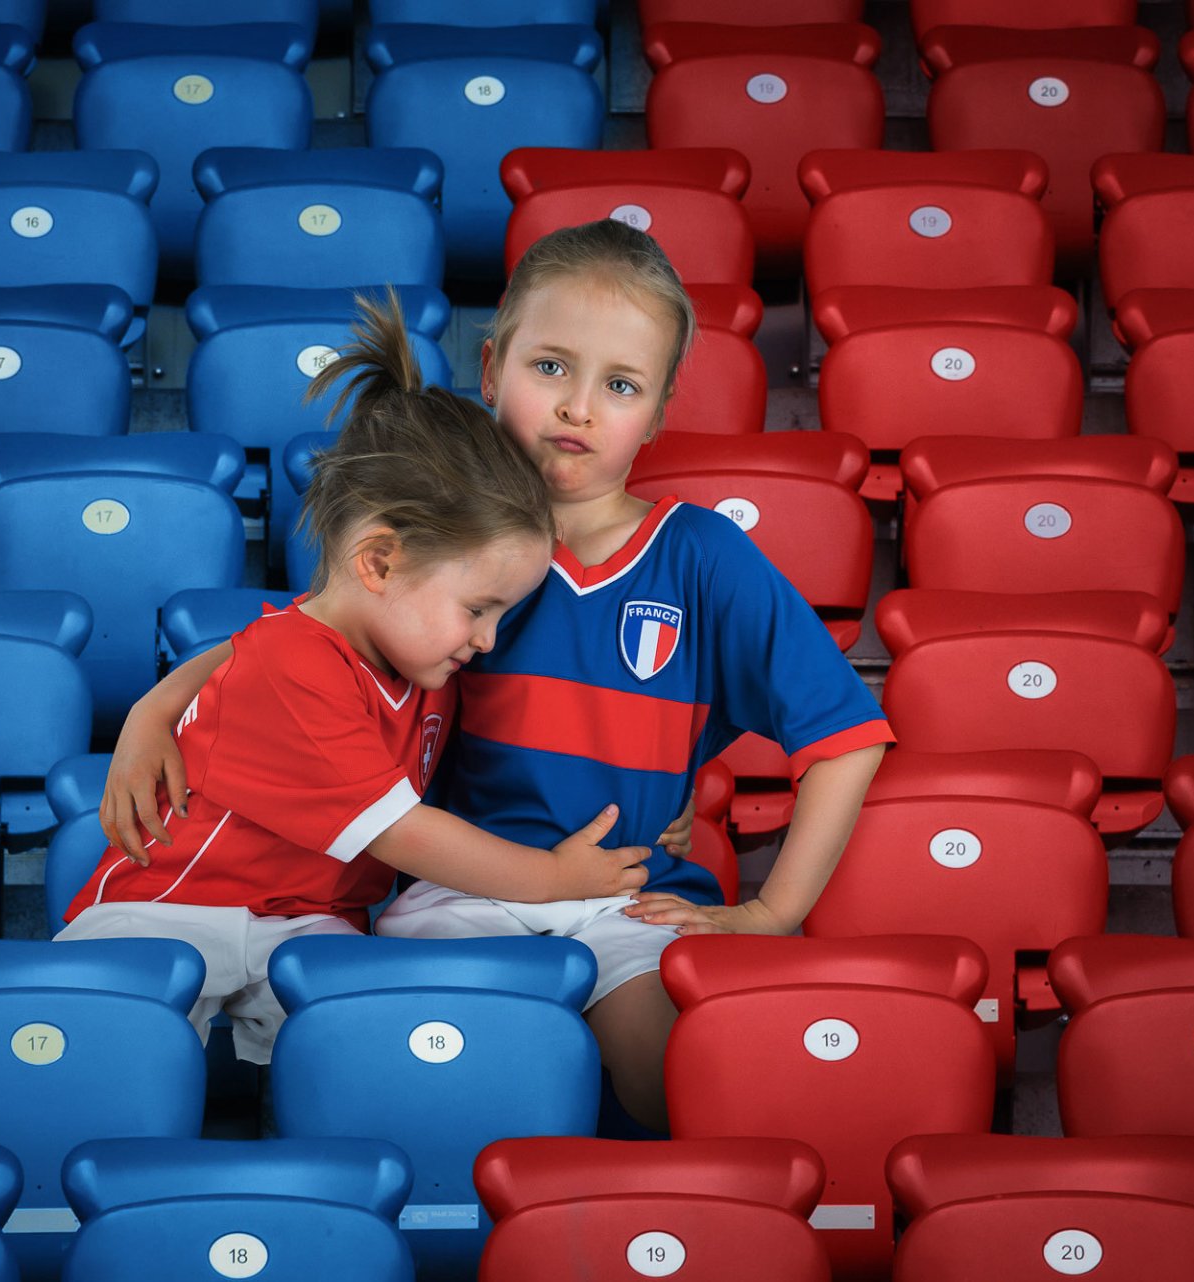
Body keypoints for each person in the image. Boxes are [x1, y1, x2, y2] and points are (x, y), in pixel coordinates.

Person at [102, 221, 891, 1126]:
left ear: (660, 412)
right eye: (550, 367)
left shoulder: (702, 558)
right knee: (429, 1092)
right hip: (455, 897)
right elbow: (305, 643)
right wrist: (155, 709)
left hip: (628, 898)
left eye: (620, 385)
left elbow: (847, 735)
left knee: (680, 1090)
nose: (578, 408)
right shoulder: (446, 536)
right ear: (490, 371)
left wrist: (774, 912)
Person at [59, 290, 652, 1066]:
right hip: (170, 906)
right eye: (479, 608)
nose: (488, 638)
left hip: (308, 922)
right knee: (105, 1044)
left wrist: (155, 704)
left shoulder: (407, 650)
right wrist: (552, 877)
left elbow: (245, 645)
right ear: (378, 561)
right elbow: (401, 831)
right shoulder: (303, 660)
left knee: (372, 1042)